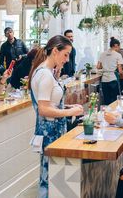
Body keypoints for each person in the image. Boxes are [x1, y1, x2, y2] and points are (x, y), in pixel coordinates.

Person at [28, 35, 84, 198]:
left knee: (53, 178)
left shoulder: (45, 72)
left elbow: (50, 104)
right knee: (50, 179)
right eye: (65, 54)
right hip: (50, 134)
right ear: (54, 51)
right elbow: (44, 110)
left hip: (52, 132)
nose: (67, 59)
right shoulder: (45, 74)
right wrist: (69, 112)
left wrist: (67, 107)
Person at [97, 37, 123, 105]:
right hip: (113, 79)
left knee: (106, 100)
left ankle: (107, 114)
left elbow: (98, 66)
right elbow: (120, 71)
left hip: (104, 80)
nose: (119, 49)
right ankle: (114, 114)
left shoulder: (102, 54)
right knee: (115, 101)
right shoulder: (118, 55)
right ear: (116, 45)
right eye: (119, 47)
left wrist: (106, 65)